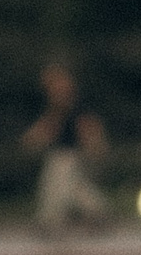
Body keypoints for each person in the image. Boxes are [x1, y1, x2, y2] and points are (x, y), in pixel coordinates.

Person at [23, 61, 109, 232]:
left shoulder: (72, 103)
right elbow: (50, 126)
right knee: (76, 188)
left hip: (68, 152)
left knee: (56, 185)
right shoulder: (59, 105)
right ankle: (98, 213)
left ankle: (49, 221)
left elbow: (87, 125)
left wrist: (95, 146)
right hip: (64, 151)